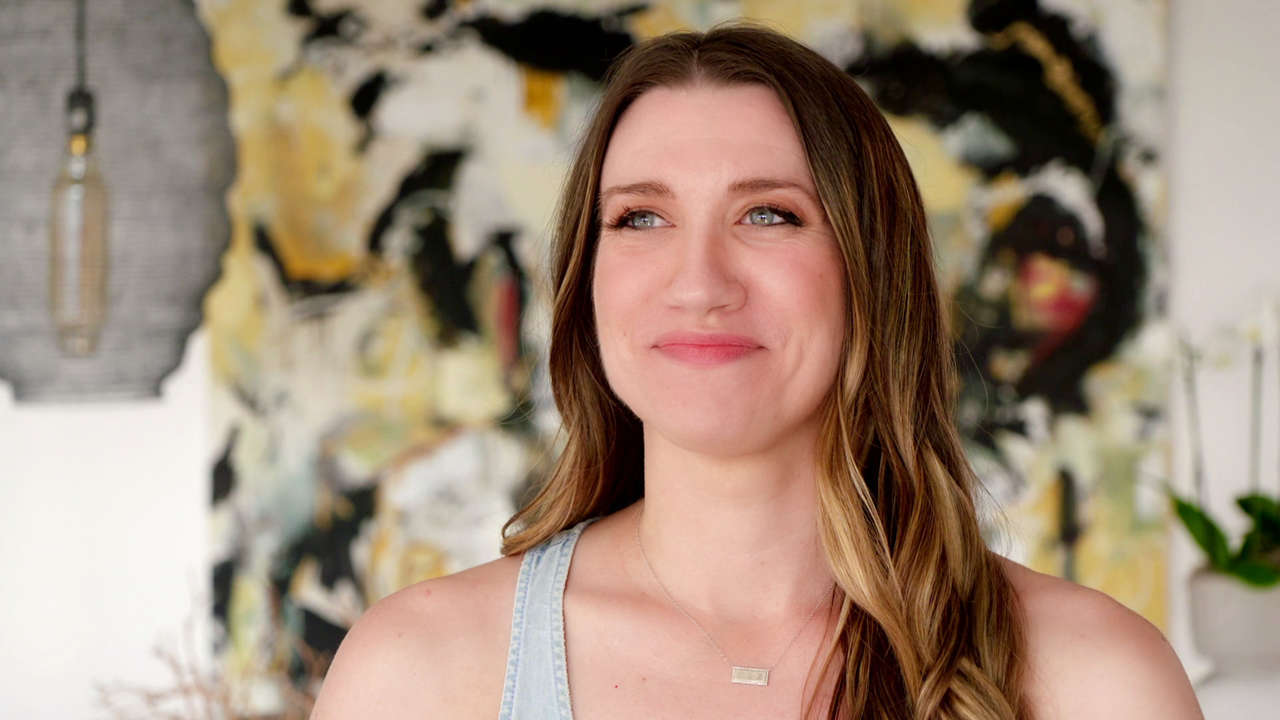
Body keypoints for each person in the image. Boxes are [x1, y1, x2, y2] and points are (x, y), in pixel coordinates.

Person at [310, 24, 1202, 720]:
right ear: (586, 281)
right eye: (641, 219)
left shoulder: (1097, 680)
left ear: (872, 272)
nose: (699, 284)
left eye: (769, 214)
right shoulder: (416, 674)